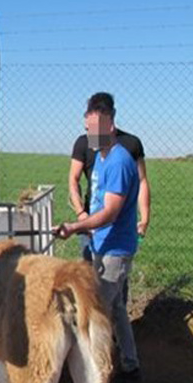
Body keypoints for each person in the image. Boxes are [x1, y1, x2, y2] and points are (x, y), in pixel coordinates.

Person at [56, 104, 142, 383]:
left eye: (95, 129)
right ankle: (130, 365)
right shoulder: (103, 157)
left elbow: (110, 212)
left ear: (110, 126)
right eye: (87, 129)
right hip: (102, 243)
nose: (89, 135)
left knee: (95, 316)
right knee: (115, 308)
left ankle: (96, 379)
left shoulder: (118, 161)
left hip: (114, 249)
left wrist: (76, 226)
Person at [69, 92, 151, 264]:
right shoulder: (84, 144)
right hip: (90, 221)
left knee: (112, 277)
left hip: (117, 228)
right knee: (89, 273)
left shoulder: (130, 144)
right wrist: (81, 214)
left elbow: (142, 181)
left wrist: (144, 218)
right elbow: (73, 180)